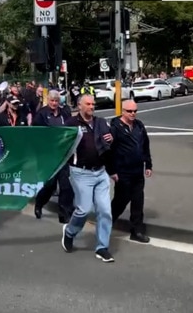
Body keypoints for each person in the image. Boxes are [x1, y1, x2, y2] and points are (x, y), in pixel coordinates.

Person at [61, 94, 116, 263]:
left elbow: (107, 144)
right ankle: (70, 232)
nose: (92, 107)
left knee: (105, 211)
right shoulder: (71, 124)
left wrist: (111, 139)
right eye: (88, 104)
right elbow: (61, 144)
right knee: (84, 209)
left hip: (100, 172)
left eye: (93, 104)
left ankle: (102, 247)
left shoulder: (100, 122)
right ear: (79, 106)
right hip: (81, 173)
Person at [108, 100, 152, 243]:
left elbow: (145, 145)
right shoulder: (115, 127)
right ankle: (105, 223)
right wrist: (112, 171)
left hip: (137, 171)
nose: (133, 114)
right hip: (122, 171)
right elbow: (110, 151)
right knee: (120, 202)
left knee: (138, 202)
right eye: (129, 111)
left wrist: (149, 165)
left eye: (135, 111)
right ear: (123, 111)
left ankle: (137, 231)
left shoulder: (139, 126)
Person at [32, 90, 75, 223]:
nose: (54, 103)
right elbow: (36, 133)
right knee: (50, 185)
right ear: (48, 100)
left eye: (56, 101)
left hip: (63, 154)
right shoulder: (41, 114)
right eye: (52, 101)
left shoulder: (65, 113)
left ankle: (64, 214)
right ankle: (39, 203)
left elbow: (71, 128)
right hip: (48, 155)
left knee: (65, 185)